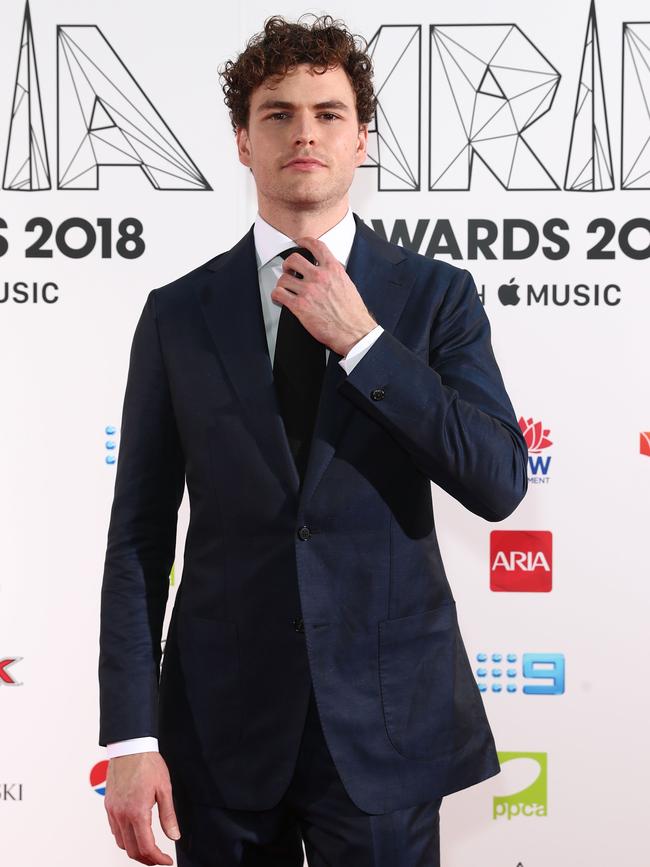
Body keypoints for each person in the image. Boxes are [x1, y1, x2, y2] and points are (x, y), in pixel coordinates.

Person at [98, 13, 528, 867]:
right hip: (218, 728)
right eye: (278, 113)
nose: (305, 133)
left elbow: (499, 478)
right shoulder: (178, 314)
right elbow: (138, 538)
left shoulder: (435, 298)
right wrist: (129, 736)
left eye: (329, 113)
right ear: (241, 143)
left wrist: (365, 343)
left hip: (385, 726)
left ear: (362, 139)